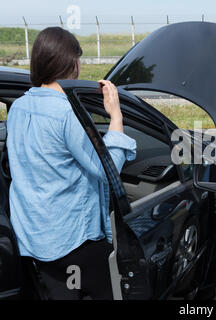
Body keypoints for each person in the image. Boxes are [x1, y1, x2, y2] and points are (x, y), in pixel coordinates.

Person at [7, 27, 136, 299]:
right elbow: (106, 170)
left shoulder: (18, 107)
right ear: (72, 63)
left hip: (33, 234)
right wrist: (115, 117)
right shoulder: (66, 114)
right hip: (72, 240)